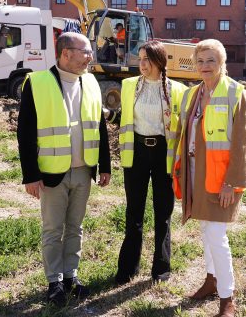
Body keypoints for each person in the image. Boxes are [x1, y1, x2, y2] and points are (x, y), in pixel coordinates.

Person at [17, 32, 112, 306]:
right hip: (51, 173)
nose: (90, 57)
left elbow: (100, 125)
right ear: (66, 53)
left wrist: (104, 165)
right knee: (52, 228)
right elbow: (24, 133)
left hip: (84, 170)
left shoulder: (92, 82)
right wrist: (31, 175)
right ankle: (54, 282)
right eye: (85, 51)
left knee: (75, 227)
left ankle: (71, 276)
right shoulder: (37, 83)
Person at [172, 39, 246, 317]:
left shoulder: (235, 93)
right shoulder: (191, 94)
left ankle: (227, 298)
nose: (205, 66)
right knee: (206, 231)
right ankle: (210, 280)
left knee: (216, 235)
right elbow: (183, 133)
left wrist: (233, 182)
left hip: (221, 178)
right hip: (195, 173)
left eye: (211, 61)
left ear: (222, 64)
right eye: (201, 61)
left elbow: (242, 143)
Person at [114, 41, 187, 285]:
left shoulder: (177, 90)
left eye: (147, 59)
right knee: (133, 212)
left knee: (162, 214)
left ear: (159, 61)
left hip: (163, 157)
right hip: (135, 155)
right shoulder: (128, 86)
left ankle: (161, 268)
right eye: (140, 58)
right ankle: (127, 268)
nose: (141, 64)